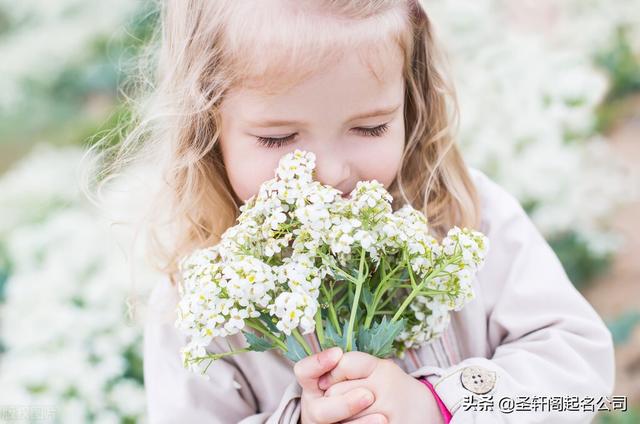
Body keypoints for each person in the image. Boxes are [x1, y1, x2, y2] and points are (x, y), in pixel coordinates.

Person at [102, 0, 614, 422]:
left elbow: (580, 380)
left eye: (370, 128)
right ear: (208, 130)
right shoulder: (200, 300)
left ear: (410, 104)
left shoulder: (463, 216)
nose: (329, 172)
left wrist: (439, 405)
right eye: (278, 138)